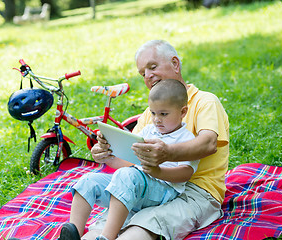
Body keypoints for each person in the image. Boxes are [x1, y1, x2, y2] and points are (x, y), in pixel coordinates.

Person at [86, 39, 229, 240]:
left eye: (152, 67)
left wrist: (167, 153)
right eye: (142, 73)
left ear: (175, 64)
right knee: (103, 227)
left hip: (196, 192)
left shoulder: (205, 101)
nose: (148, 75)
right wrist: (108, 155)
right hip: (151, 185)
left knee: (144, 225)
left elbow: (208, 143)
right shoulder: (149, 115)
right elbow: (132, 161)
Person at [59, 79, 200, 240]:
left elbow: (186, 173)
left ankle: (107, 236)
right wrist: (108, 157)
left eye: (164, 114)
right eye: (153, 113)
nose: (157, 119)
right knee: (89, 180)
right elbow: (130, 162)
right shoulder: (148, 131)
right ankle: (73, 232)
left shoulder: (187, 139)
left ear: (183, 112)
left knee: (126, 175)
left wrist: (158, 171)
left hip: (164, 190)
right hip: (135, 185)